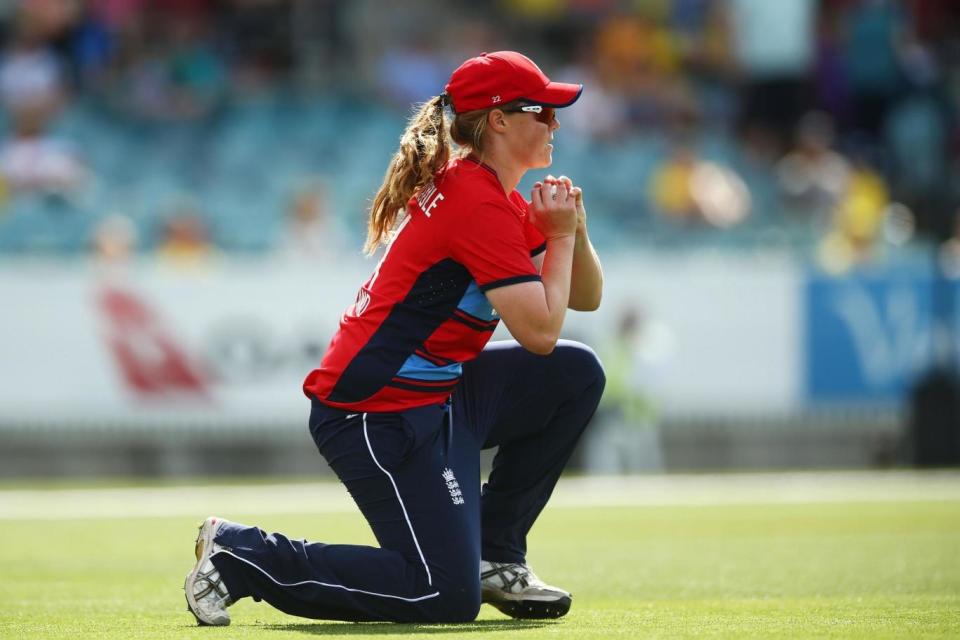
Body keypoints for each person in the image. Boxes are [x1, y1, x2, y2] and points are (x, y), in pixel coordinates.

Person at [183, 50, 605, 626]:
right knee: (441, 596)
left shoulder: (492, 196)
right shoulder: (476, 204)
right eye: (542, 111)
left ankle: (496, 555)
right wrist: (557, 239)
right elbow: (539, 331)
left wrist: (572, 232)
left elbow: (585, 298)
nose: (555, 123)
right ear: (499, 120)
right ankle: (243, 556)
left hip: (430, 395)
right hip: (373, 412)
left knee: (576, 375)